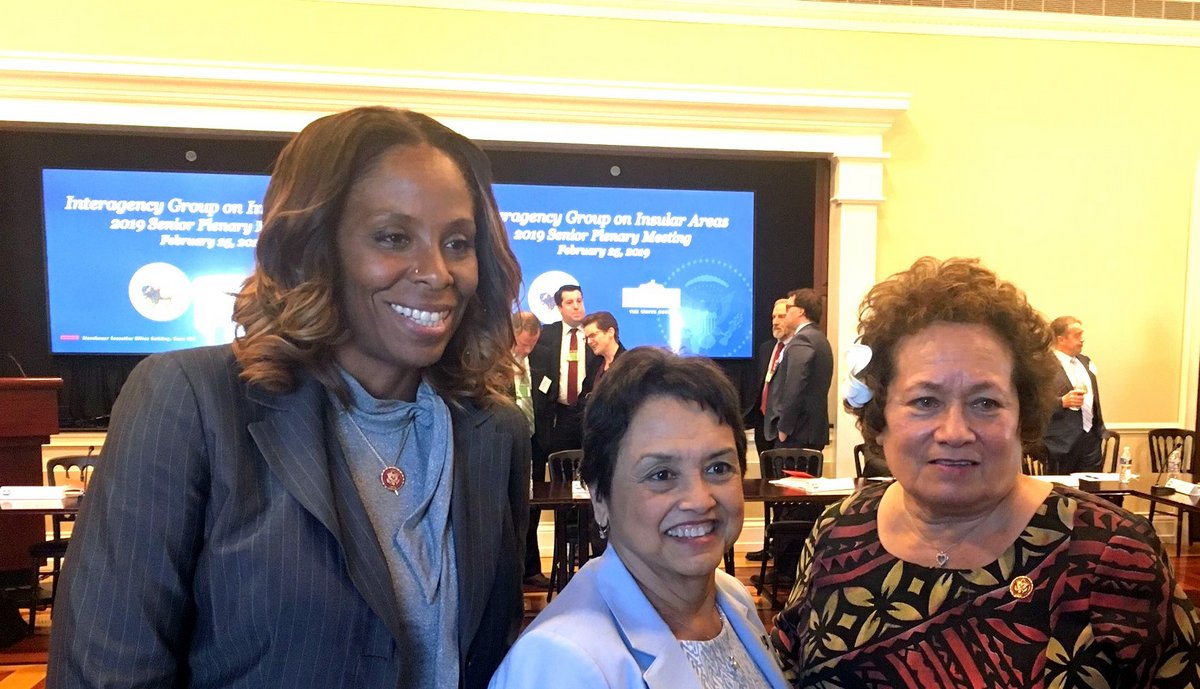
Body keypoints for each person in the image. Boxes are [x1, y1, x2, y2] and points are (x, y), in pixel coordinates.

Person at [48, 106, 530, 689]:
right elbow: (108, 672)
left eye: (458, 242)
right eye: (393, 237)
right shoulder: (191, 402)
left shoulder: (493, 429)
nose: (437, 272)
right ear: (315, 245)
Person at [772, 257, 1200, 687]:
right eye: (925, 401)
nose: (955, 431)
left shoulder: (1112, 554)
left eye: (986, 403)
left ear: (1024, 415)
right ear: (880, 419)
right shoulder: (838, 531)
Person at [488, 347, 789, 689]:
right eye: (661, 475)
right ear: (600, 497)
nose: (699, 499)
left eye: (718, 468)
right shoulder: (559, 661)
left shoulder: (733, 598)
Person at [529, 284, 597, 467]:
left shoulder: (595, 333)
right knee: (562, 469)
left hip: (590, 414)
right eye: (569, 302)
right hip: (560, 416)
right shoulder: (546, 335)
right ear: (559, 308)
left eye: (579, 301)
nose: (576, 306)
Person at [763, 288, 833, 451]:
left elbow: (794, 387)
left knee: (787, 477)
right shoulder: (819, 338)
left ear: (800, 311)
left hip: (796, 435)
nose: (785, 314)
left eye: (788, 308)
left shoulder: (803, 339)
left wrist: (783, 429)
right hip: (810, 433)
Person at [512, 311, 550, 588]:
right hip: (507, 442)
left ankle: (531, 567)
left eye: (532, 344)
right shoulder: (494, 360)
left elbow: (548, 395)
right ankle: (512, 567)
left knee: (534, 506)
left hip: (536, 443)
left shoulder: (543, 357)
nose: (527, 349)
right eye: (523, 343)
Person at [1042, 316, 1106, 474]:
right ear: (1061, 339)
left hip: (1091, 439)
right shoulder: (1043, 365)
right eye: (1077, 335)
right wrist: (1061, 402)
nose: (1082, 339)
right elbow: (1033, 402)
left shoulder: (1086, 362)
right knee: (1061, 495)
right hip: (1060, 442)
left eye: (1082, 334)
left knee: (1091, 493)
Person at [579, 310, 625, 398]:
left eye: (592, 335)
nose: (589, 342)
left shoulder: (628, 364)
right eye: (586, 338)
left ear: (610, 332)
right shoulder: (594, 363)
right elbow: (582, 397)